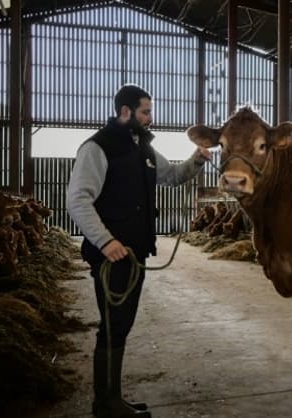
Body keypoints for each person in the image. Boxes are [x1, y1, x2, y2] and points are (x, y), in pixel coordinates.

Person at [67, 84, 210, 418]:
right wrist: (105, 240)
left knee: (122, 323)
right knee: (113, 324)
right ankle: (106, 403)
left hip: (135, 253)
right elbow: (77, 200)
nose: (150, 117)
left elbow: (173, 176)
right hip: (111, 256)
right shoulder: (97, 147)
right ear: (125, 111)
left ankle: (112, 398)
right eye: (145, 111)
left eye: (150, 111)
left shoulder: (142, 148)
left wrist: (197, 159)